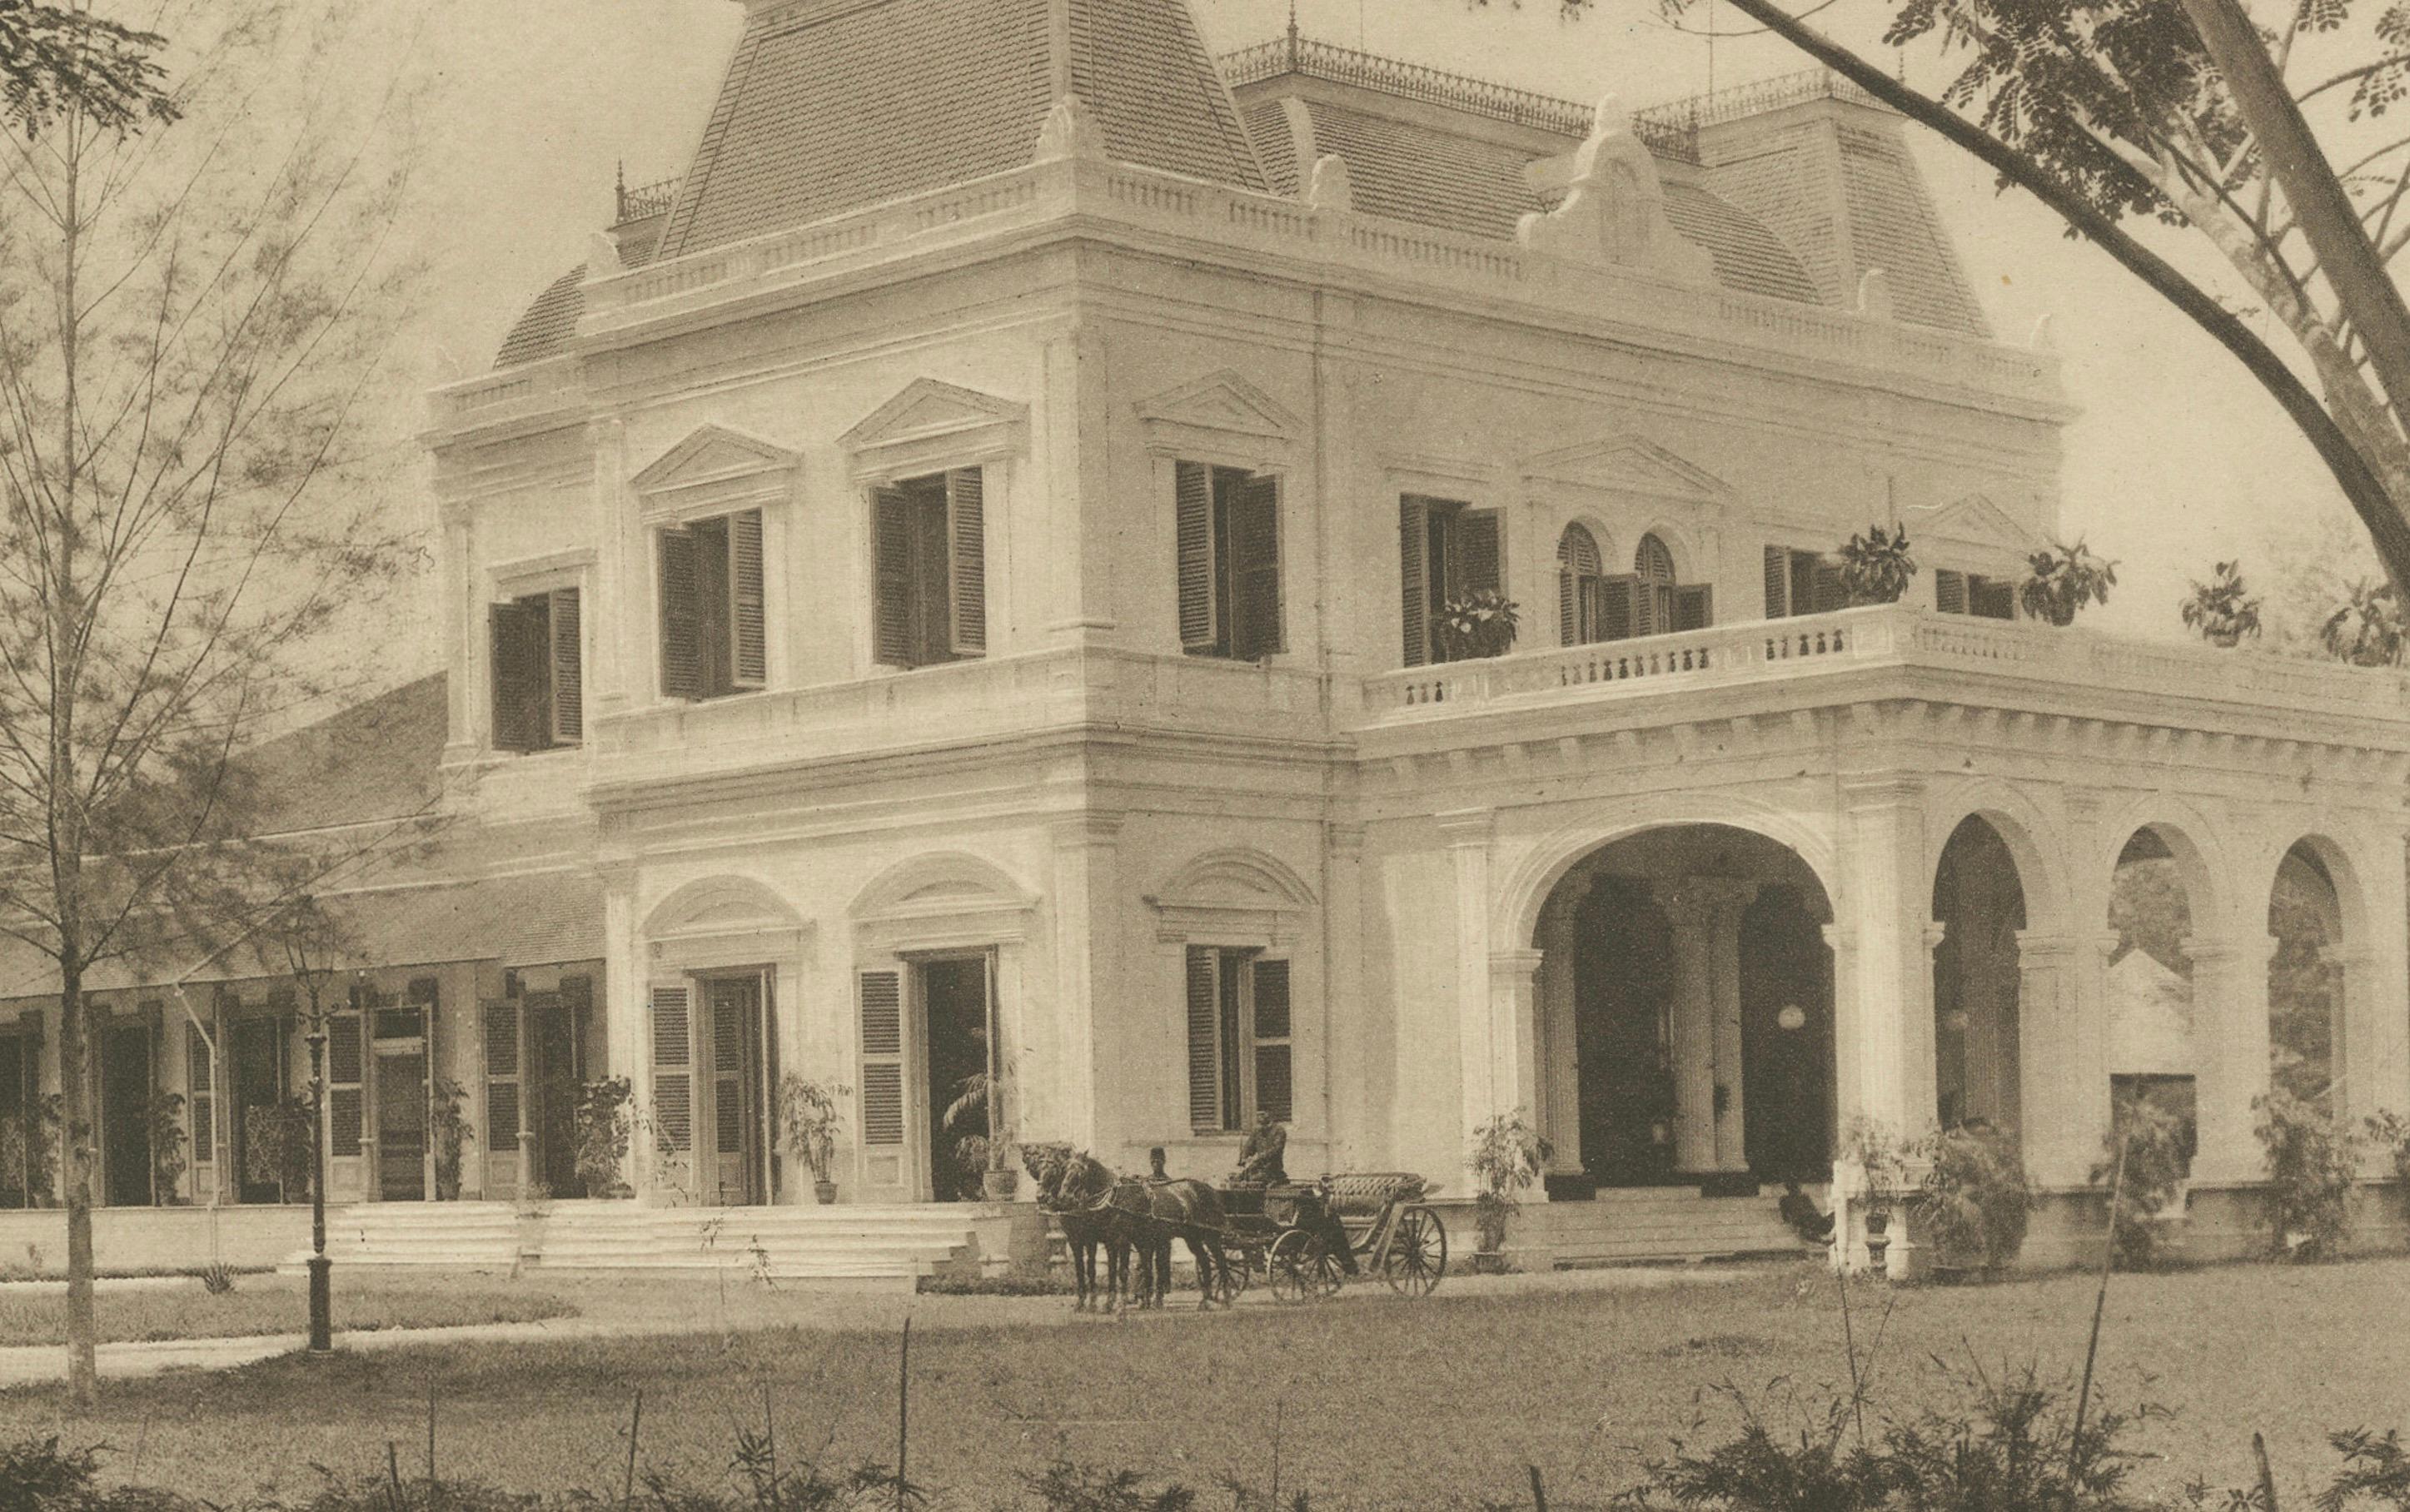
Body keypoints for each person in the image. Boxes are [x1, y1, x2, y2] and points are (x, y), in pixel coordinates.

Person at [1232, 1107, 1287, 1185]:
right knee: (1237, 1178)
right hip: (1257, 1166)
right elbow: (1249, 1146)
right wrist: (1244, 1157)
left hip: (1272, 1168)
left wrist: (1258, 1157)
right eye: (1258, 1114)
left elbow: (1276, 1149)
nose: (1260, 1117)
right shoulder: (1257, 1131)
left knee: (1256, 1179)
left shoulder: (1279, 1131)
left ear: (1270, 1115)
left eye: (1263, 1114)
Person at [1778, 1179, 1834, 1244]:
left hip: (1815, 1222)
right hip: (1803, 1224)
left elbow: (1814, 1211)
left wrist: (1818, 1220)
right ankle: (1823, 1241)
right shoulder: (1784, 1200)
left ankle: (1824, 1238)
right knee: (1804, 1232)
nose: (1797, 1189)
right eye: (1794, 1187)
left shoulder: (1805, 1197)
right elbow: (1785, 1217)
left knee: (1835, 1215)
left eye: (1797, 1186)